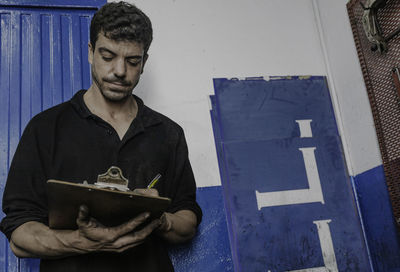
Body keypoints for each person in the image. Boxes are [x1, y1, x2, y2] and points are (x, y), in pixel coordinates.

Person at [0, 2, 202, 271]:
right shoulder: (45, 128)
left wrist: (158, 218)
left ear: (144, 62)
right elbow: (20, 236)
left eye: (132, 61)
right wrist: (83, 242)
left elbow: (187, 220)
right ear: (90, 52)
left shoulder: (167, 133)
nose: (120, 70)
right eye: (108, 56)